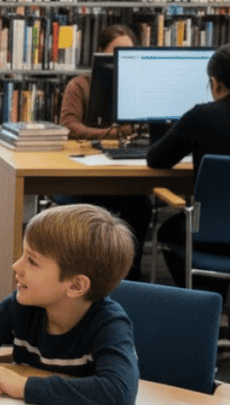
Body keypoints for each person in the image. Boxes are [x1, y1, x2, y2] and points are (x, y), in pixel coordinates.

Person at [0, 204, 139, 405]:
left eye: (33, 261)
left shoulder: (109, 324)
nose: (16, 266)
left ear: (75, 286)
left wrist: (22, 386)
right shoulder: (22, 308)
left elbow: (118, 393)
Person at [147, 43, 230, 302]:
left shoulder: (203, 116)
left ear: (215, 83)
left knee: (170, 230)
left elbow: (156, 159)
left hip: (208, 231)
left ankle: (209, 307)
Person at [56, 24, 151, 281]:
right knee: (105, 207)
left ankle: (131, 276)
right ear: (100, 54)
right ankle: (94, 276)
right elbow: (70, 127)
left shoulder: (136, 89)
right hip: (85, 176)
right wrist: (112, 133)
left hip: (125, 176)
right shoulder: (80, 85)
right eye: (114, 54)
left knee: (140, 204)